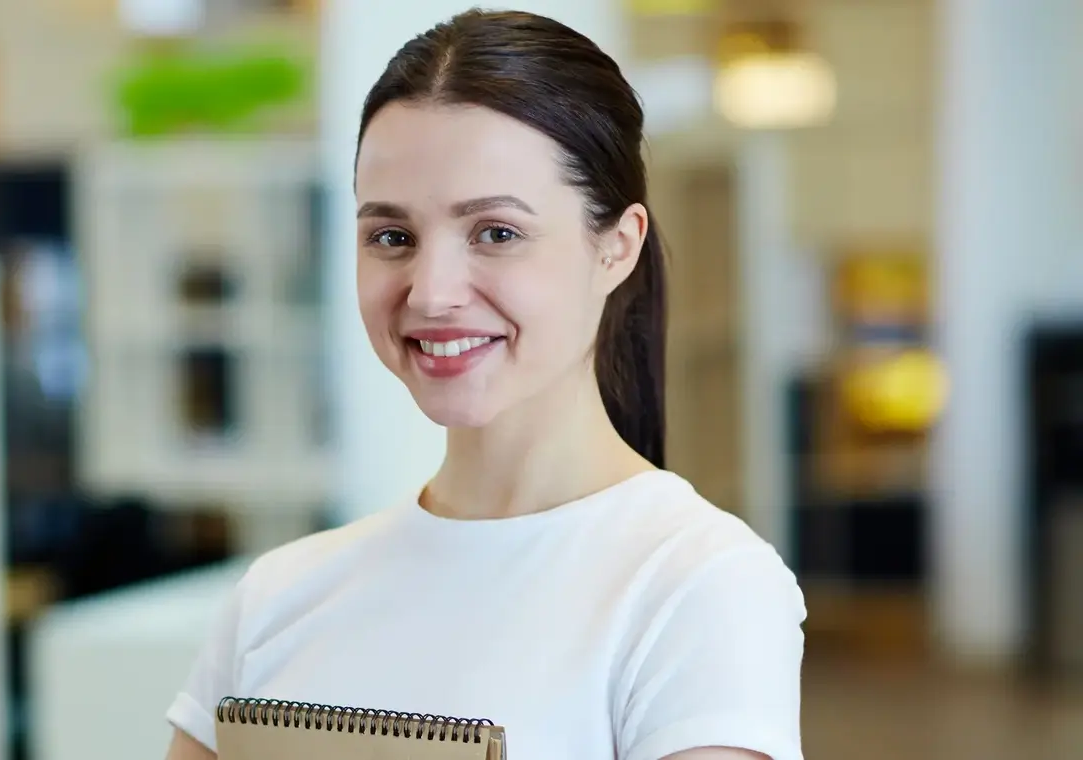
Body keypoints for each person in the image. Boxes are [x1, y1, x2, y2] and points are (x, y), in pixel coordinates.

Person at [163, 10, 804, 760]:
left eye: (496, 232)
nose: (432, 292)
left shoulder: (696, 587)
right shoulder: (277, 597)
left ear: (616, 248)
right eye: (391, 237)